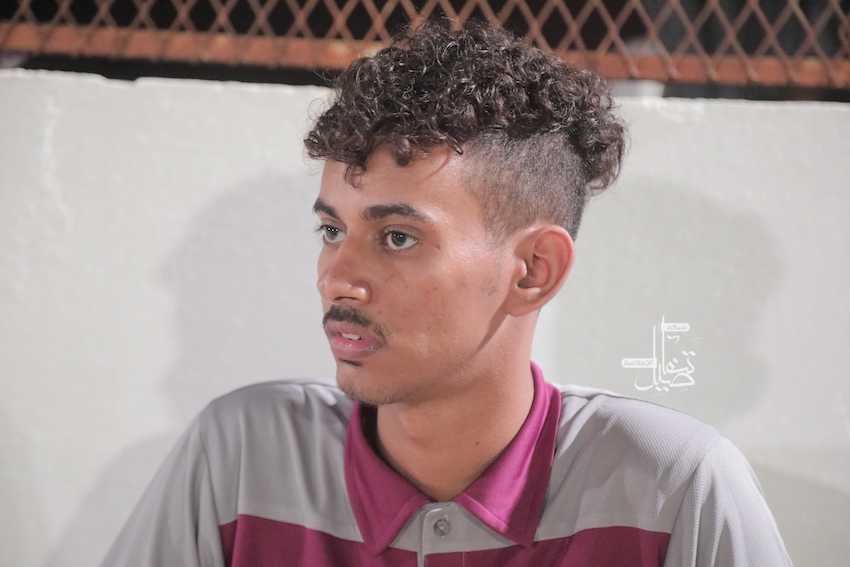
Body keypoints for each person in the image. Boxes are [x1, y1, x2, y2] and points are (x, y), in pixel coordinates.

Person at [102, 19, 792, 567]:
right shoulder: (243, 455)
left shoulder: (674, 487)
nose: (336, 277)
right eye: (331, 229)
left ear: (534, 270)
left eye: (398, 237)